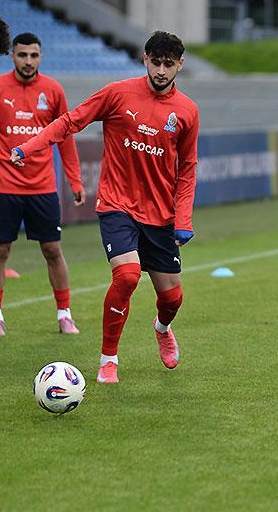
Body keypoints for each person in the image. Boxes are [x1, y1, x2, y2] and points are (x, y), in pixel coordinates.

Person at [10, 31, 198, 385]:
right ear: (145, 59)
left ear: (180, 64)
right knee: (126, 276)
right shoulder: (117, 93)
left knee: (172, 297)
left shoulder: (187, 111)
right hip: (117, 203)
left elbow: (187, 168)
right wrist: (29, 146)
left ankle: (162, 328)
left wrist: (183, 218)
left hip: (160, 214)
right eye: (156, 62)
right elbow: (70, 122)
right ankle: (108, 360)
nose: (161, 71)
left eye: (168, 64)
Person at [0, 32, 85, 337]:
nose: (28, 61)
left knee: (52, 249)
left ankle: (64, 315)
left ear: (40, 57)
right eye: (22, 55)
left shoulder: (53, 90)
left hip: (42, 186)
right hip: (3, 185)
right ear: (12, 56)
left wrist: (74, 179)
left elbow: (65, 137)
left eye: (33, 55)